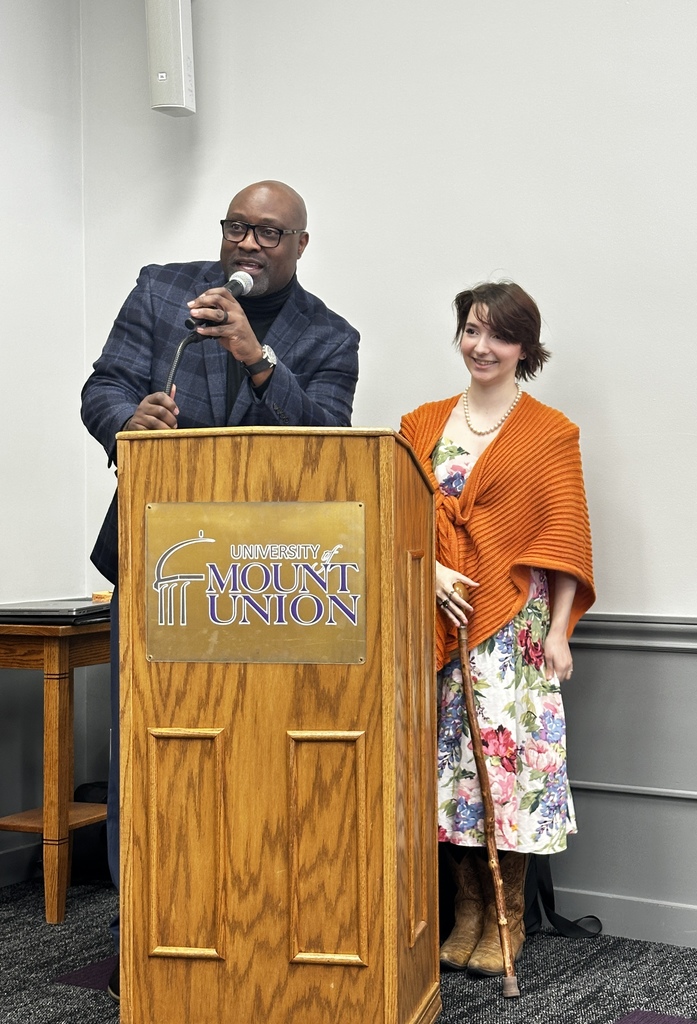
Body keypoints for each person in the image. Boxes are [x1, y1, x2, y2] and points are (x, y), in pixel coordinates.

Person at [81, 180, 360, 1001]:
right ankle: (145, 925)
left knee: (248, 758)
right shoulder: (162, 290)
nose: (248, 242)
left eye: (269, 232)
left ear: (300, 245)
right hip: (159, 563)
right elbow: (102, 387)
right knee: (147, 749)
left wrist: (256, 357)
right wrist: (128, 422)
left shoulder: (330, 336)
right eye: (238, 226)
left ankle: (245, 924)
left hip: (265, 584)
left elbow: (328, 444)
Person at [399, 280, 595, 977]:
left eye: (500, 335)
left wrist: (560, 631)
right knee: (448, 774)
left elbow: (565, 537)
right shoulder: (419, 424)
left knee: (507, 774)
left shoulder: (550, 431)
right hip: (435, 622)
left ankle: (506, 917)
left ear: (524, 347)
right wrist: (429, 571)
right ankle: (468, 912)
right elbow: (396, 515)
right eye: (472, 330)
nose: (482, 347)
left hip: (514, 630)